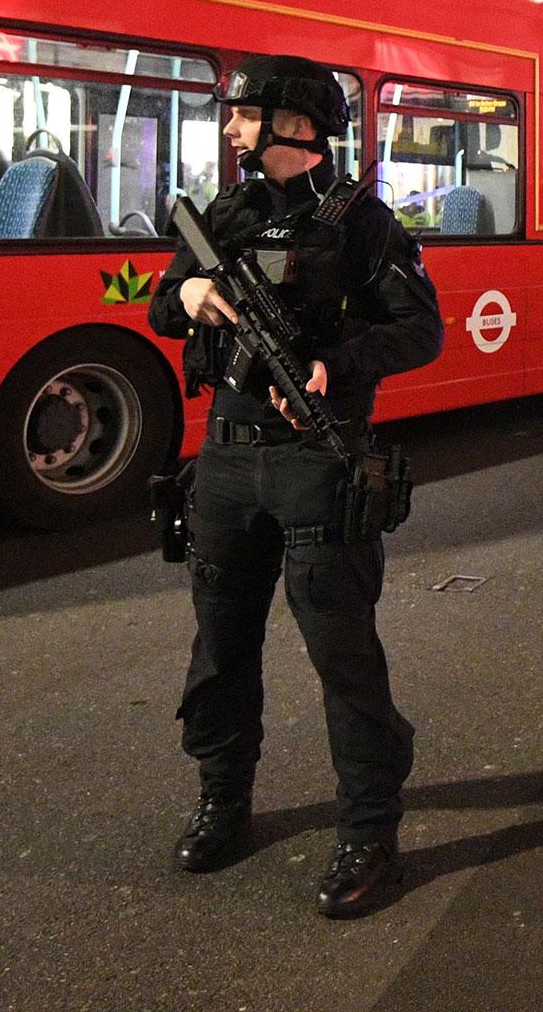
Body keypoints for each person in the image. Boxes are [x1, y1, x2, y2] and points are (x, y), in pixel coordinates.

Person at [149, 56, 444, 918]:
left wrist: (333, 363)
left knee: (342, 654)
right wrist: (192, 290)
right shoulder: (225, 213)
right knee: (220, 644)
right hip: (229, 459)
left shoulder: (362, 224)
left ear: (294, 127)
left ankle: (369, 831)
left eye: (246, 116)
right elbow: (162, 306)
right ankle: (223, 798)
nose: (232, 129)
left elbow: (421, 330)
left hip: (319, 460)